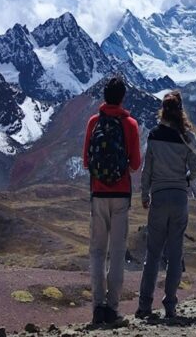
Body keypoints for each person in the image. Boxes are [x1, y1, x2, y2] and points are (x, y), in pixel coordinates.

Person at [136, 90, 196, 319]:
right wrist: (186, 180)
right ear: (180, 111)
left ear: (163, 111)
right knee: (175, 254)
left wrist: (145, 194)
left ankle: (144, 305)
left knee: (153, 253)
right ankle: (170, 305)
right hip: (179, 198)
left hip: (159, 197)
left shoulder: (153, 135)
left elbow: (147, 170)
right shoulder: (187, 136)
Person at [82, 76, 141, 325]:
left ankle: (97, 308)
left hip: (98, 194)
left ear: (104, 96)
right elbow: (136, 164)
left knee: (97, 251)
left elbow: (86, 161)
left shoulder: (94, 122)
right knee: (117, 252)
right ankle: (113, 309)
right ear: (123, 97)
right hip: (121, 195)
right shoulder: (130, 124)